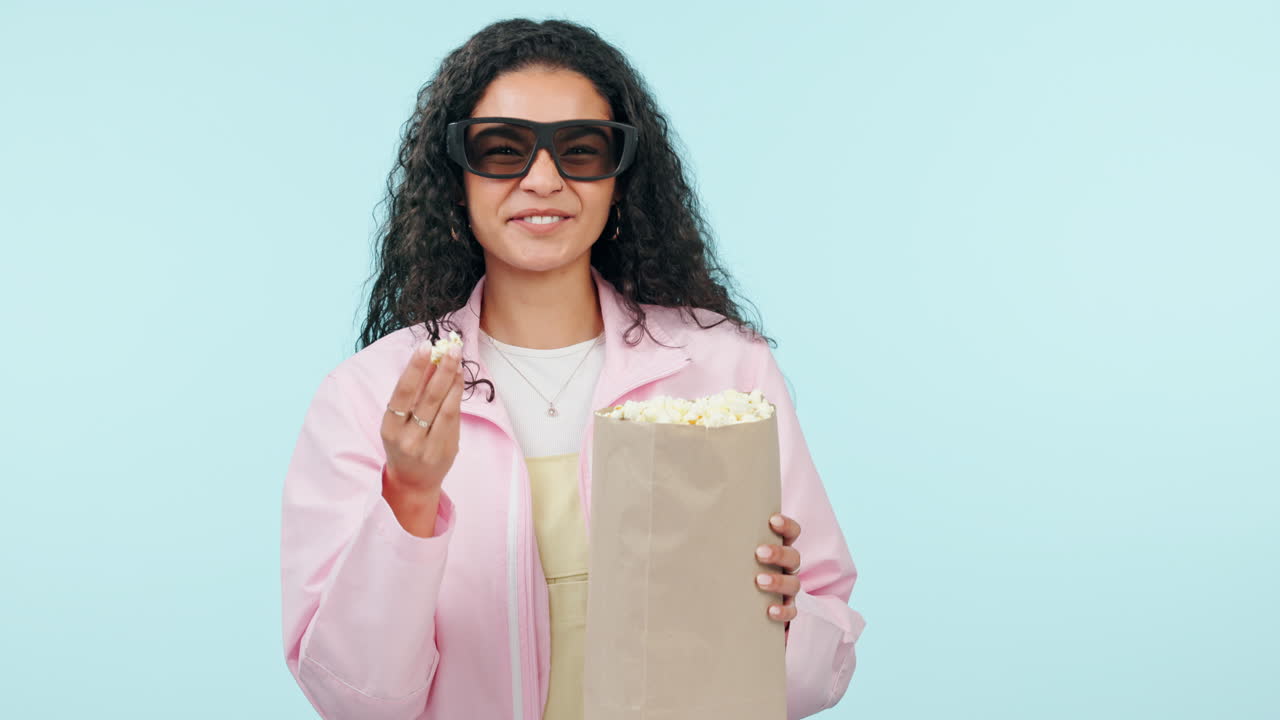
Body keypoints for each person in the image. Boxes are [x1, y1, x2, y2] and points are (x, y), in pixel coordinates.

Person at [280, 17, 866, 720]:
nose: (544, 179)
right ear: (455, 180)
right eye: (502, 149)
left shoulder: (726, 371)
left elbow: (815, 677)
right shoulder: (367, 397)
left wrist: (779, 617)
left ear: (621, 180)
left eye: (582, 150)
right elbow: (358, 702)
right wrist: (408, 495)